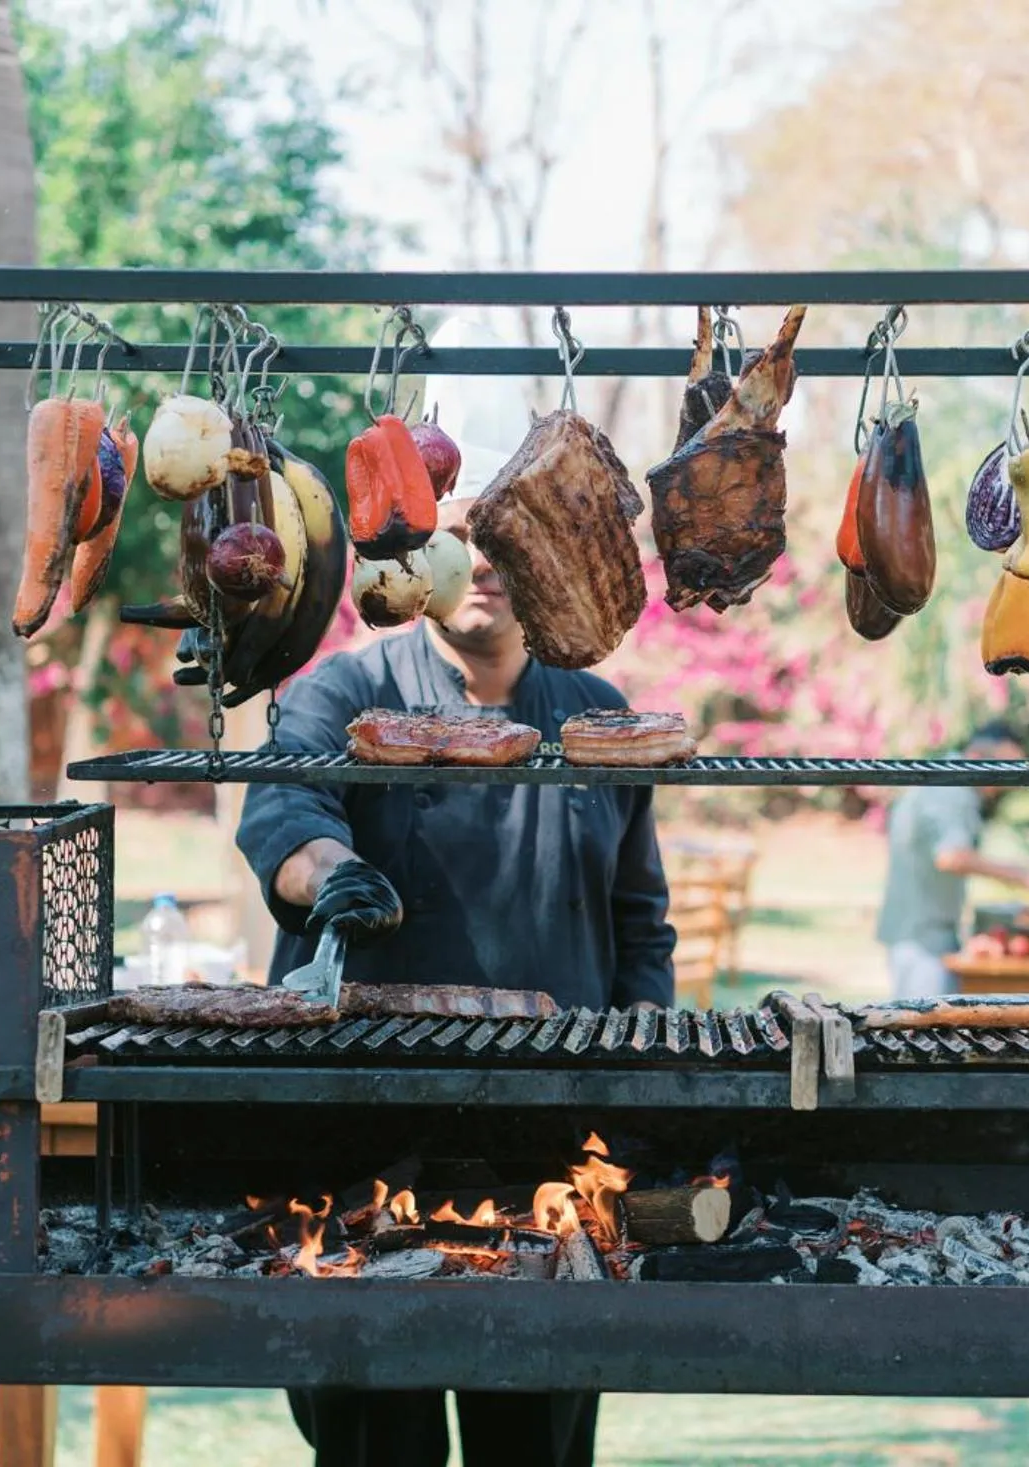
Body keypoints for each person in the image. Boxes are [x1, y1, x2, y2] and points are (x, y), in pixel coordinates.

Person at [234, 492, 674, 1467]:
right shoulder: (344, 691)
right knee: (374, 1438)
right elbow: (284, 814)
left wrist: (644, 1088)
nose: (481, 564)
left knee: (534, 1438)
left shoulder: (598, 716)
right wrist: (333, 874)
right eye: (457, 538)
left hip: (547, 1145)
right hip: (364, 1130)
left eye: (503, 540)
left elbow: (640, 925)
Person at [874, 721, 1029, 1000]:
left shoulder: (942, 777)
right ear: (976, 756)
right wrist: (1026, 877)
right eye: (1002, 768)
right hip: (923, 939)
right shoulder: (952, 790)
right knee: (927, 1024)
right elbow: (952, 857)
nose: (1005, 782)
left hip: (921, 932)